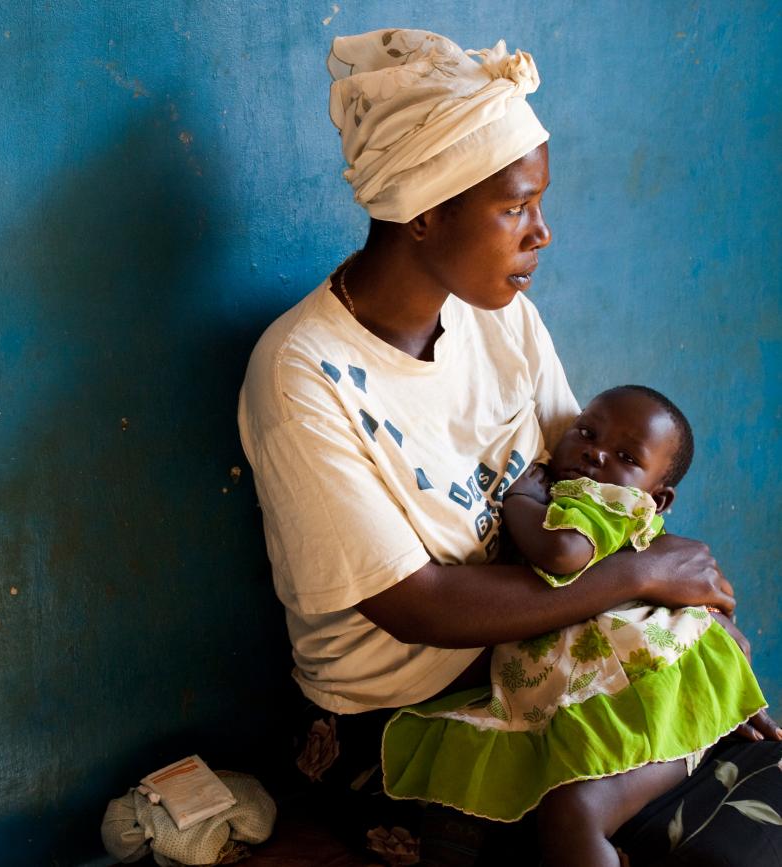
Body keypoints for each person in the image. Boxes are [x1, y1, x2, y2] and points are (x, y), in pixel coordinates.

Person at [238, 28, 782, 865]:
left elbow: (599, 497)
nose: (542, 234)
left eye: (540, 203)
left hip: (544, 657)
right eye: (516, 206)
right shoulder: (302, 373)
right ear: (425, 211)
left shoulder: (502, 319)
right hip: (400, 720)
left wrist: (681, 642)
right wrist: (641, 575)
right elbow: (414, 603)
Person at [381, 385, 768, 867]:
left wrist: (518, 497)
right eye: (586, 431)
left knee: (576, 810)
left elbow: (562, 554)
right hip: (598, 690)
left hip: (650, 698)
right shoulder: (574, 497)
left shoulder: (610, 503)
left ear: (657, 497)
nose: (595, 452)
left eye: (625, 455)